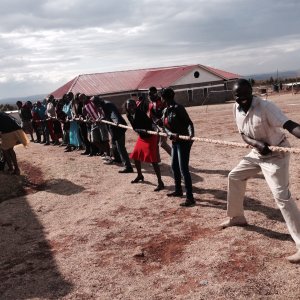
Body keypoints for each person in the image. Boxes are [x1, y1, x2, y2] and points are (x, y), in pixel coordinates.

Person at [221, 78, 300, 263]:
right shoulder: (235, 108)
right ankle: (237, 217)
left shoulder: (265, 106)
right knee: (235, 176)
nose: (241, 99)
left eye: (244, 95)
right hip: (257, 153)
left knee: (282, 196)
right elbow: (243, 134)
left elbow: (289, 125)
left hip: (276, 155)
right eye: (237, 96)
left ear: (251, 92)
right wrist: (256, 143)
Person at [161, 87, 195, 207]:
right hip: (175, 142)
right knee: (174, 167)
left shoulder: (178, 108)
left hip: (183, 142)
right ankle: (178, 190)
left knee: (183, 169)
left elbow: (189, 123)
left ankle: (190, 197)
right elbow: (164, 127)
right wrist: (170, 134)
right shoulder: (165, 111)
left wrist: (191, 136)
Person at [125, 99, 164, 191]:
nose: (131, 107)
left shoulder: (140, 113)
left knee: (153, 161)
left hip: (150, 137)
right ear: (126, 107)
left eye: (132, 105)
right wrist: (140, 130)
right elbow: (135, 128)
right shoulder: (129, 115)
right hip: (142, 137)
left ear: (136, 105)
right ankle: (140, 175)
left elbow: (151, 122)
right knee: (136, 156)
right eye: (129, 106)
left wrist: (156, 129)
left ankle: (160, 182)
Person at [96, 98, 133, 173]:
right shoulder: (102, 105)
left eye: (95, 104)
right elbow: (107, 115)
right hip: (113, 128)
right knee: (114, 144)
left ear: (98, 102)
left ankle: (128, 167)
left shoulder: (107, 104)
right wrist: (101, 118)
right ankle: (117, 159)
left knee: (120, 147)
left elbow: (113, 113)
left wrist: (116, 121)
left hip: (118, 128)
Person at [148, 86, 172, 156]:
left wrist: (162, 120)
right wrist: (155, 122)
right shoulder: (151, 104)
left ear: (155, 93)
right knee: (155, 143)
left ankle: (175, 158)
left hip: (165, 125)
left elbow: (168, 111)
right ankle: (157, 160)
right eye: (148, 94)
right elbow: (151, 116)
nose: (149, 96)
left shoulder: (162, 101)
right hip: (156, 127)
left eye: (151, 94)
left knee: (163, 144)